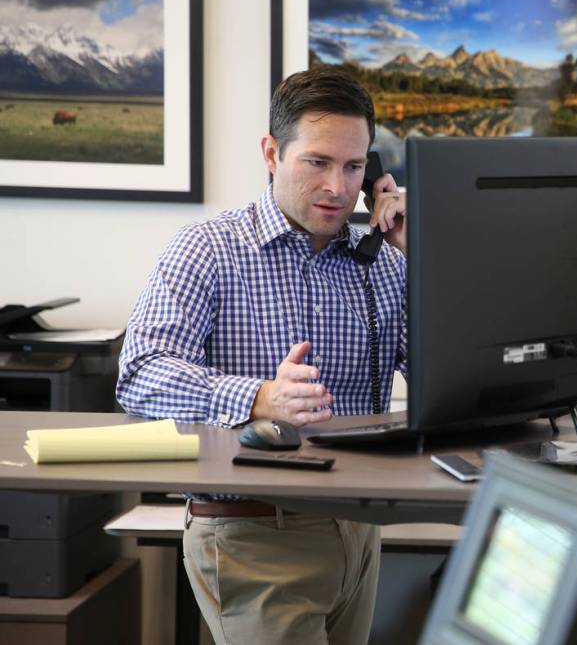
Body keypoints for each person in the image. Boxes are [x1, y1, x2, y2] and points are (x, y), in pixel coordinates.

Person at [116, 67, 407, 645]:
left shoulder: (383, 262)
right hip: (253, 536)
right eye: (317, 162)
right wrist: (257, 397)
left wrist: (423, 255)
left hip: (359, 531)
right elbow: (140, 375)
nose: (337, 187)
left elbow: (452, 371)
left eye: (354, 167)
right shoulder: (208, 249)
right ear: (272, 153)